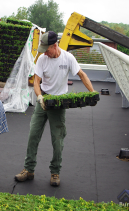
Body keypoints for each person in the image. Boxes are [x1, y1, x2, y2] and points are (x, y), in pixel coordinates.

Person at [15, 31, 95, 187]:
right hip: (43, 100)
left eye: (47, 49)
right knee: (33, 135)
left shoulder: (68, 58)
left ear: (54, 45)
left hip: (58, 103)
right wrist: (39, 97)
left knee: (57, 140)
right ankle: (29, 169)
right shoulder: (42, 59)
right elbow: (36, 82)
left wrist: (92, 93)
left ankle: (55, 171)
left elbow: (81, 74)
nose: (45, 52)